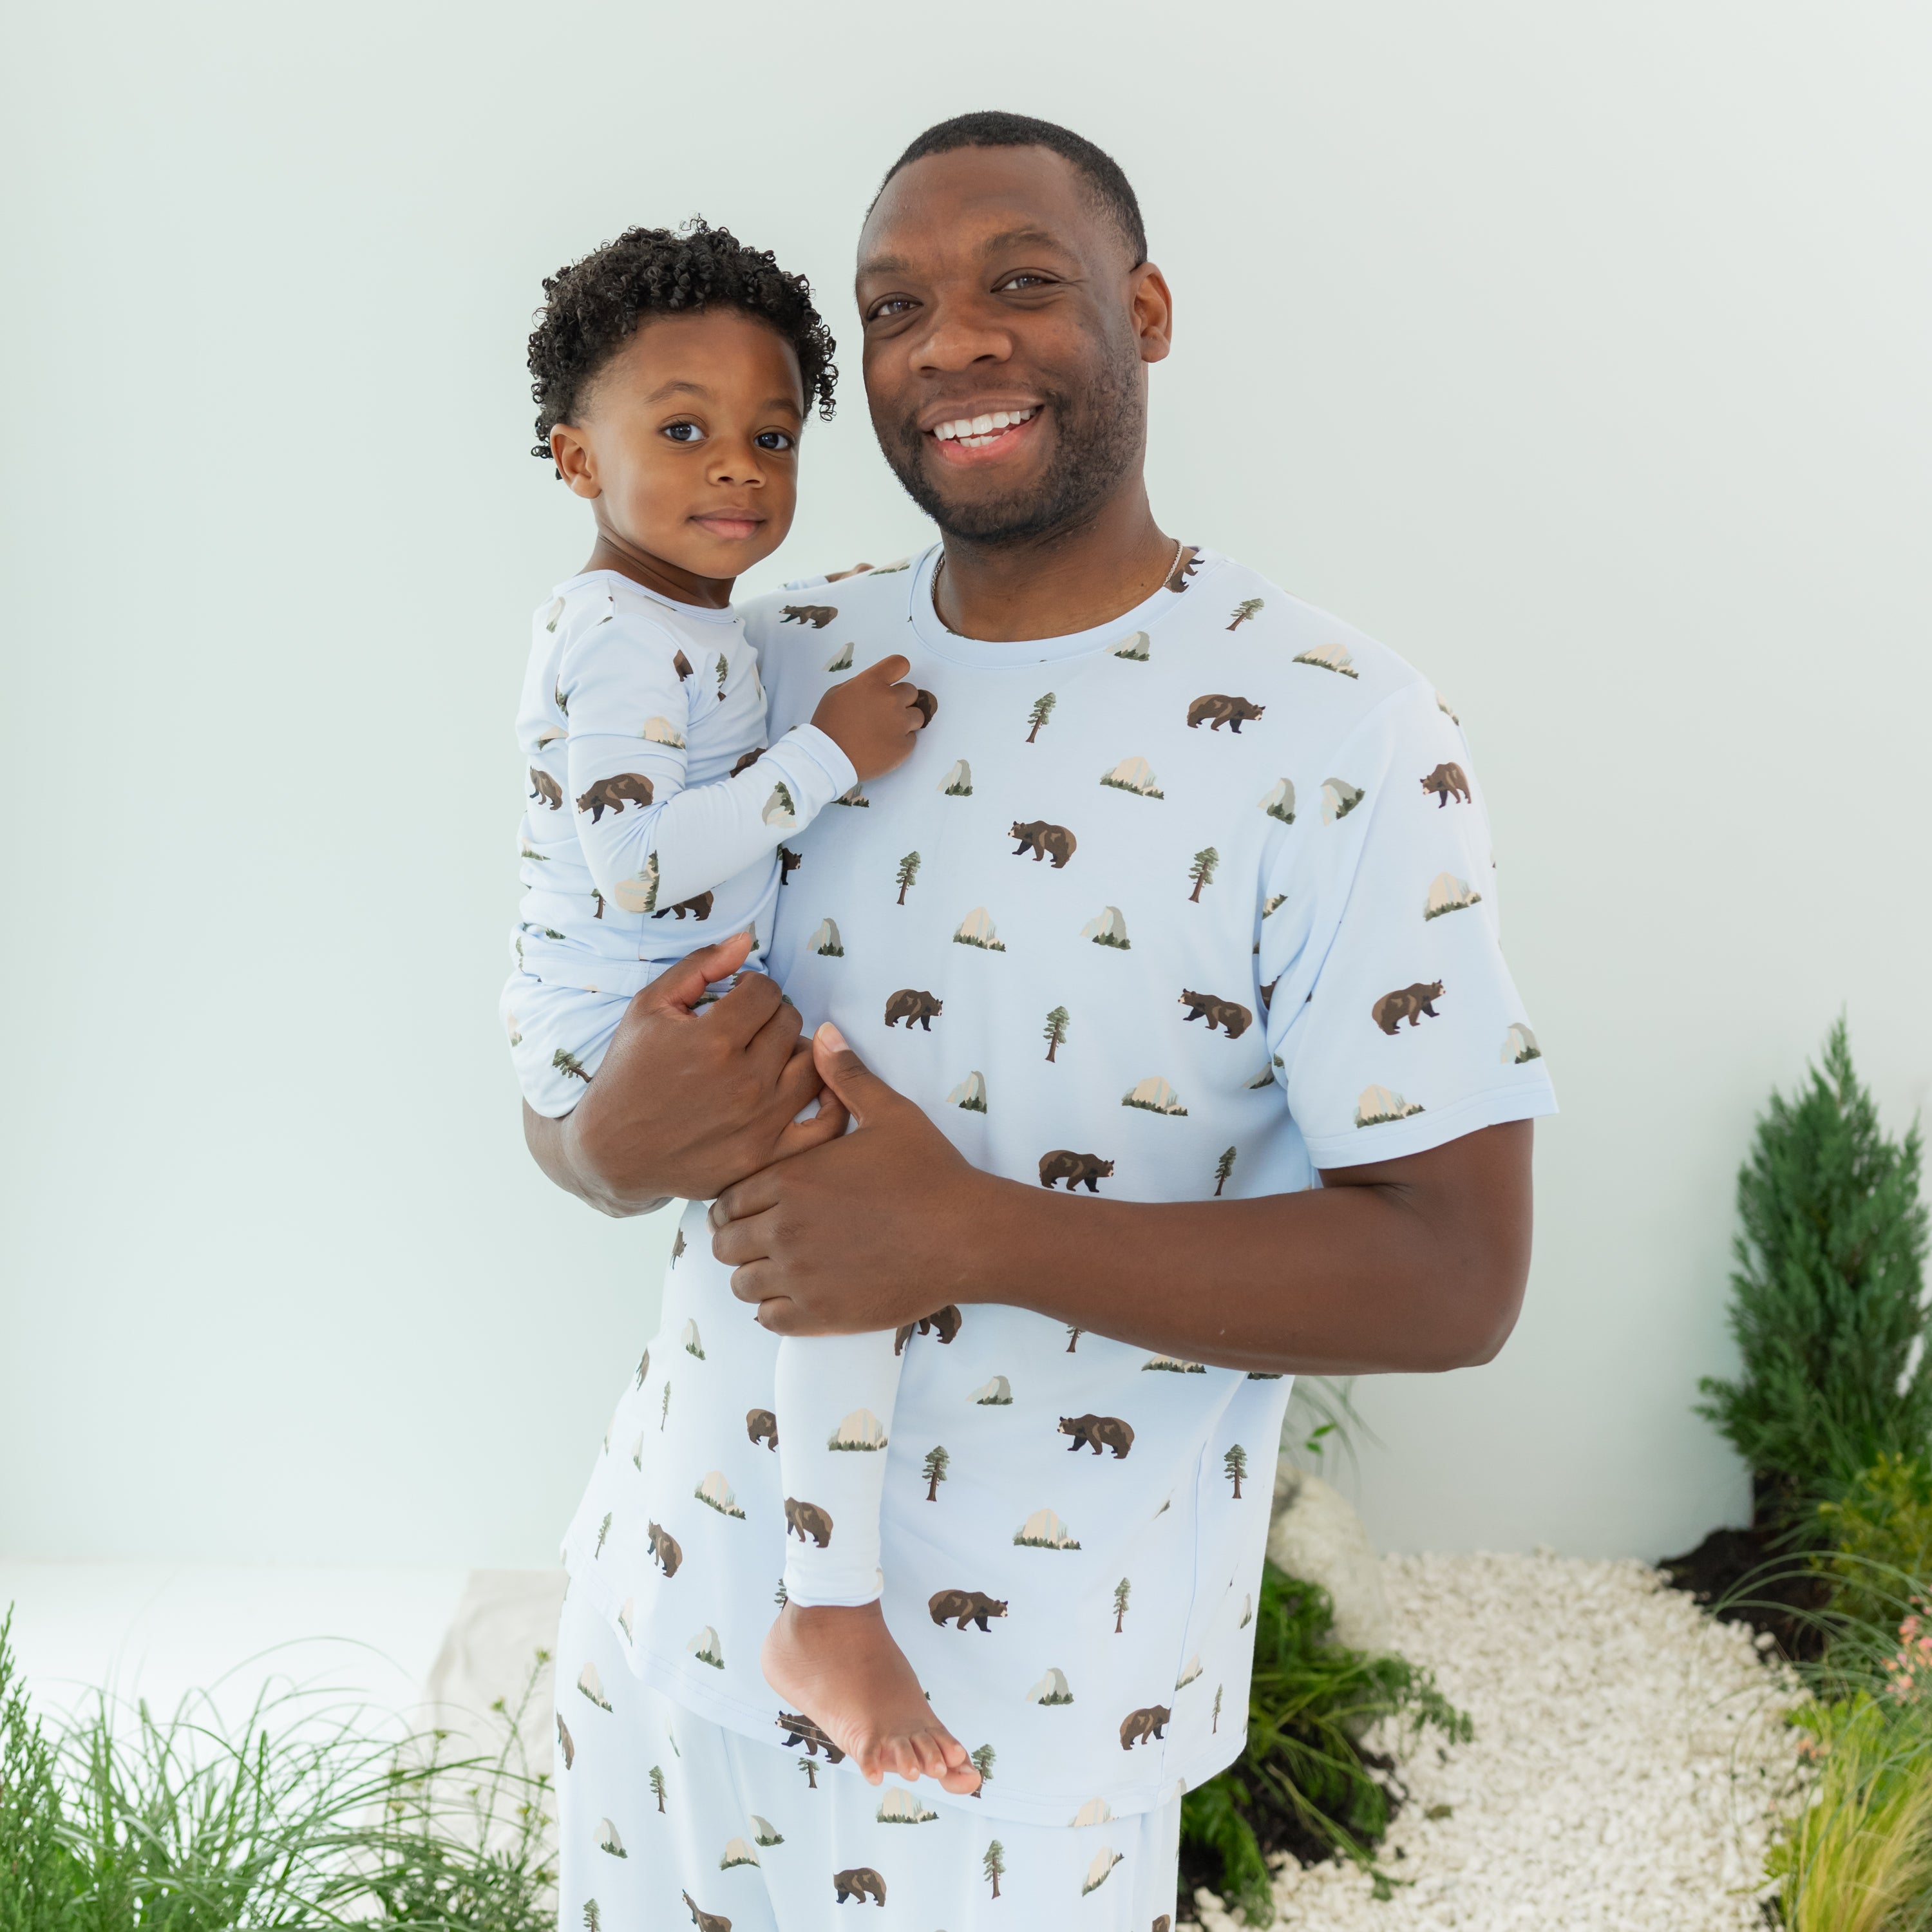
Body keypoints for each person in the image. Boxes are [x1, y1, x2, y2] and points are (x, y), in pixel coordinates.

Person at [527, 113, 1557, 1931]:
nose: (954, 343)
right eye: (894, 309)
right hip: (665, 1620)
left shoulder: (1343, 734)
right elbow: (578, 1008)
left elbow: (1456, 1277)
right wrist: (597, 1146)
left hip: (1022, 1725)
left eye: (1021, 281)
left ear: (1143, 311)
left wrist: (970, 1234)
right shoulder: (775, 660)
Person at [503, 222, 982, 1790]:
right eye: (683, 429)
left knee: (835, 1243)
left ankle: (808, 1598)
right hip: (615, 1022)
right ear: (580, 460)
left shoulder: (695, 626)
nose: (738, 468)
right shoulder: (615, 636)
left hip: (655, 1001)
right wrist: (828, 755)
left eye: (772, 437)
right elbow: (635, 861)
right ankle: (825, 1613)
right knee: (851, 1243)